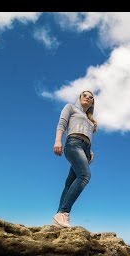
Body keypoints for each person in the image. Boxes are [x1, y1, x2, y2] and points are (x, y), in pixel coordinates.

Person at [52, 90, 97, 228]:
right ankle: (64, 212)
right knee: (84, 176)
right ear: (79, 97)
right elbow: (62, 124)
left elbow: (87, 135)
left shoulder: (91, 120)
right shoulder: (70, 107)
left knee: (70, 182)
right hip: (73, 143)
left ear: (92, 103)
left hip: (85, 149)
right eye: (85, 95)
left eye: (91, 98)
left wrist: (90, 151)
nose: (88, 98)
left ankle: (58, 218)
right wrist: (58, 141)